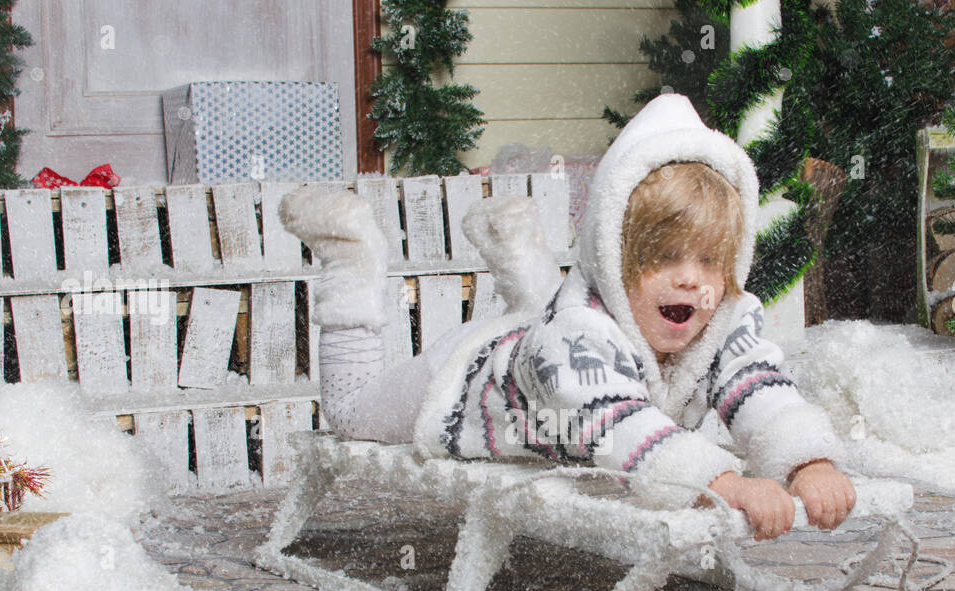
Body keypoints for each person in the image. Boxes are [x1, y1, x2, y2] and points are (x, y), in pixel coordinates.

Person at [279, 93, 854, 540]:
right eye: (663, 257)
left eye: (709, 260)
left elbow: (758, 383)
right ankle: (349, 252)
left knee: (546, 319)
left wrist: (807, 461)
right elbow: (616, 420)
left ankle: (516, 245)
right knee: (352, 412)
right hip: (469, 380)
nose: (690, 279)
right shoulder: (574, 335)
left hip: (541, 334)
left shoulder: (721, 314)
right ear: (611, 254)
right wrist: (722, 482)